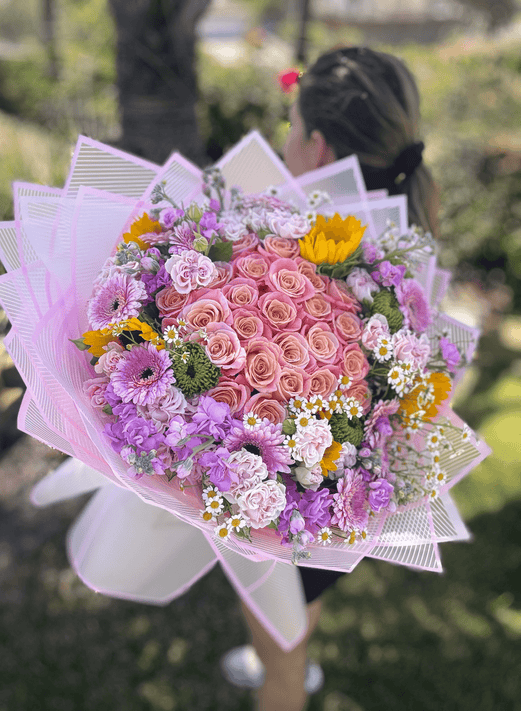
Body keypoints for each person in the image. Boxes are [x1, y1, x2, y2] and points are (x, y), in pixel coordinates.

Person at [224, 45, 440, 711]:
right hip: (355, 497)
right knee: (299, 605)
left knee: (276, 648)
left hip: (292, 505)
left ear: (316, 148)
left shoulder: (299, 258)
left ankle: (284, 679)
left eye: (289, 126)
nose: (282, 141)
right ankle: (293, 644)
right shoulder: (398, 250)